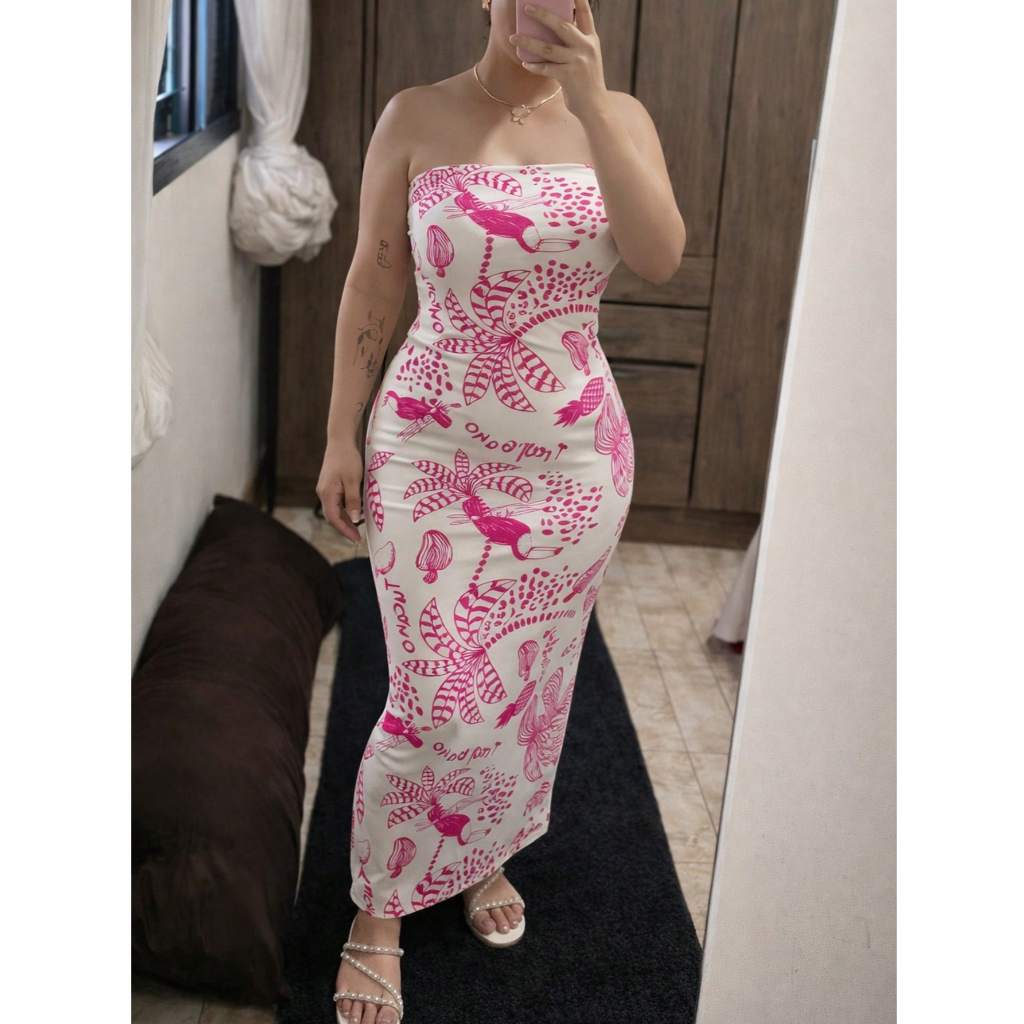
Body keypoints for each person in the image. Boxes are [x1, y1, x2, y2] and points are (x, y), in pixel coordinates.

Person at [316, 1, 685, 1020]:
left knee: (522, 685)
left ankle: (478, 851)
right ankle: (382, 905)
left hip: (572, 461)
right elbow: (374, 278)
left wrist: (593, 102)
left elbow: (658, 254)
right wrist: (341, 433)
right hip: (429, 447)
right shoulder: (415, 115)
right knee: (437, 690)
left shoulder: (621, 118)